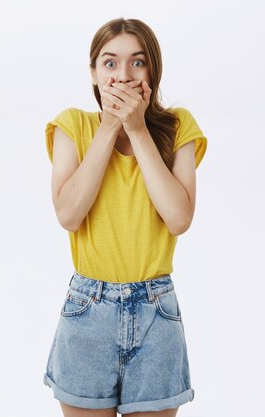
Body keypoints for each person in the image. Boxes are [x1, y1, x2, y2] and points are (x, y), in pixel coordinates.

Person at [41, 17, 207, 417]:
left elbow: (179, 218)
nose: (123, 75)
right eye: (110, 63)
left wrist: (137, 129)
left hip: (156, 311)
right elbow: (69, 213)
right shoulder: (73, 125)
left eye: (137, 62)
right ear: (95, 73)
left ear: (153, 69)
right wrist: (110, 126)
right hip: (87, 310)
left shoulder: (178, 126)